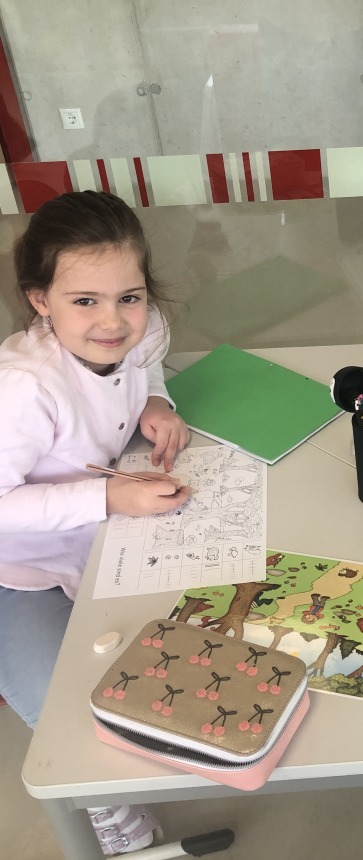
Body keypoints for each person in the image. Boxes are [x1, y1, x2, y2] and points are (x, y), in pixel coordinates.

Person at [0, 190, 191, 854]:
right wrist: (107, 498)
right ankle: (106, 810)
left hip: (100, 539)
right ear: (40, 300)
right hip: (17, 568)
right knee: (64, 714)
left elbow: (147, 362)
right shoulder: (24, 387)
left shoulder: (144, 326)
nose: (113, 321)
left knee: (175, 664)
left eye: (128, 297)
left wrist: (158, 403)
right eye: (85, 300)